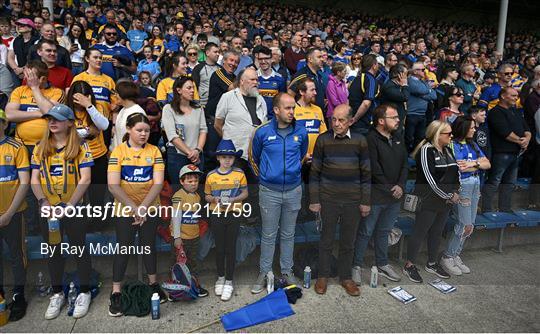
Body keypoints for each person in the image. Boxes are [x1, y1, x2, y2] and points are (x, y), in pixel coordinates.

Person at [30, 104, 94, 319]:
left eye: (57, 118)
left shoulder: (81, 146)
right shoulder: (40, 147)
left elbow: (85, 179)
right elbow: (34, 180)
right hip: (49, 210)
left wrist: (70, 206)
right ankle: (57, 293)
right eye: (50, 119)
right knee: (53, 250)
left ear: (69, 122)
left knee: (79, 248)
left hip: (73, 207)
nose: (53, 122)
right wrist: (42, 202)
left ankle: (84, 291)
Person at [107, 113, 166, 317]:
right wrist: (134, 207)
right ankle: (116, 292)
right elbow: (113, 186)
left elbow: (158, 183)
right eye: (139, 130)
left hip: (149, 207)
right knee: (123, 248)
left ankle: (153, 285)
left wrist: (143, 208)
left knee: (149, 245)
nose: (143, 134)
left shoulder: (155, 150)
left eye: (147, 130)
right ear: (129, 130)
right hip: (125, 208)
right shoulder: (118, 151)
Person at [308, 103, 370, 296]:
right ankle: (323, 276)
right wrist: (314, 199)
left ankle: (346, 277)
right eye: (333, 119)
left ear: (351, 121)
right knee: (326, 240)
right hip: (328, 199)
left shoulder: (360, 141)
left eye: (341, 120)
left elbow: (367, 174)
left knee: (348, 242)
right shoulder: (323, 140)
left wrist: (366, 201)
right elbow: (314, 173)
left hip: (352, 200)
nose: (336, 123)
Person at [249, 92, 308, 293]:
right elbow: (253, 158)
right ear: (276, 110)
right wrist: (265, 179)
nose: (292, 112)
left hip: (293, 190)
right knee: (268, 234)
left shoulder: (301, 131)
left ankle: (286, 272)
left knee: (288, 234)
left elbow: (301, 157)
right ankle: (265, 273)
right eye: (287, 108)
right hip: (269, 192)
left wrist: (291, 176)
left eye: (293, 108)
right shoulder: (262, 132)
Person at [352, 104, 407, 285]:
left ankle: (382, 263)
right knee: (366, 231)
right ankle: (356, 266)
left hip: (394, 196)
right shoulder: (370, 139)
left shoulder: (398, 137)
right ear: (381, 121)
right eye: (394, 117)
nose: (398, 120)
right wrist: (391, 188)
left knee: (384, 231)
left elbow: (404, 165)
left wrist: (400, 185)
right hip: (376, 195)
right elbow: (373, 170)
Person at [403, 121, 460, 283]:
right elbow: (430, 180)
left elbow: (456, 173)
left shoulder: (448, 150)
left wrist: (455, 191)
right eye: (448, 134)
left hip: (446, 200)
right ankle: (409, 265)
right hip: (428, 199)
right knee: (420, 231)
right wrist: (448, 195)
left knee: (437, 232)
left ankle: (432, 263)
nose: (451, 136)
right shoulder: (426, 150)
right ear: (437, 134)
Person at [441, 116, 491, 275]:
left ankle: (456, 254)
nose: (475, 129)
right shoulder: (452, 144)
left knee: (470, 225)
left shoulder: (473, 144)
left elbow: (487, 164)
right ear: (463, 128)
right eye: (471, 127)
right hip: (463, 186)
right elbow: (459, 168)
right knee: (463, 224)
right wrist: (476, 165)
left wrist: (473, 164)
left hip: (475, 184)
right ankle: (447, 256)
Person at [204, 140, 248, 301]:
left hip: (234, 214)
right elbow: (206, 195)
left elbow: (245, 193)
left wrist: (233, 199)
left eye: (230, 157)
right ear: (218, 158)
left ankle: (229, 280)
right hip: (216, 214)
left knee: (231, 247)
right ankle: (221, 277)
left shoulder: (239, 174)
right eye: (223, 157)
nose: (227, 160)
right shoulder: (211, 175)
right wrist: (214, 199)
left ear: (234, 158)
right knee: (220, 247)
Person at [0, 108, 29, 322]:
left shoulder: (16, 147)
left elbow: (24, 182)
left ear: (4, 124)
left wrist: (9, 213)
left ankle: (19, 295)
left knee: (17, 256)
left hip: (13, 213)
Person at [481, 87, 530, 213]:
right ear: (503, 96)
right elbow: (505, 132)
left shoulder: (516, 111)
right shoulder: (495, 112)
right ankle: (486, 208)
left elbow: (527, 128)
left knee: (510, 183)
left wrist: (527, 139)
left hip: (516, 153)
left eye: (516, 95)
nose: (516, 98)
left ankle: (505, 208)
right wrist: (521, 141)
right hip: (501, 153)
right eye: (513, 95)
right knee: (494, 181)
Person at [65, 81, 109, 219]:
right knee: (78, 195)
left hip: (97, 156)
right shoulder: (67, 110)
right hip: (76, 158)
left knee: (97, 195)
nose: (80, 103)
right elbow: (65, 133)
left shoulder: (97, 107)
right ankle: (80, 223)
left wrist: (88, 105)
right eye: (78, 99)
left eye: (84, 98)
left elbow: (104, 125)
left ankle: (98, 223)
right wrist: (86, 132)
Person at [169, 164, 210, 298]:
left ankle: (194, 286)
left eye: (196, 181)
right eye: (189, 181)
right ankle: (175, 291)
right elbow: (176, 217)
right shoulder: (178, 196)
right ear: (181, 181)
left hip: (194, 236)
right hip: (181, 237)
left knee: (193, 263)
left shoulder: (197, 196)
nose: (193, 184)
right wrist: (177, 237)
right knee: (178, 264)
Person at [161, 77, 207, 188]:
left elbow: (203, 130)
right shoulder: (168, 108)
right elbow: (172, 135)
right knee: (178, 192)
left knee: (196, 192)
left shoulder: (198, 109)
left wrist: (197, 150)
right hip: (177, 155)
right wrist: (189, 153)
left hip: (197, 156)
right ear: (179, 90)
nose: (192, 91)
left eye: (193, 88)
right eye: (189, 88)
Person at [73, 48, 117, 147]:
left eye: (100, 58)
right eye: (95, 57)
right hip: (84, 123)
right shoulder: (79, 78)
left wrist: (114, 125)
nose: (99, 60)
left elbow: (115, 107)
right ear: (87, 59)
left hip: (104, 123)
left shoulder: (109, 80)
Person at [204, 50, 239, 171]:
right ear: (224, 60)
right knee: (212, 156)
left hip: (228, 123)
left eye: (236, 62)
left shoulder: (235, 78)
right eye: (231, 60)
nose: (233, 64)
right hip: (213, 122)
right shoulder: (219, 74)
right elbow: (231, 89)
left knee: (227, 157)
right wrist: (245, 78)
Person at [405, 61, 437, 152]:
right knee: (409, 138)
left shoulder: (423, 82)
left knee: (420, 139)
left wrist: (425, 92)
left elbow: (434, 96)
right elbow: (419, 90)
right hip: (411, 114)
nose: (425, 71)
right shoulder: (409, 81)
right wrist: (428, 90)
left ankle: (416, 158)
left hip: (423, 114)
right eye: (423, 69)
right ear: (415, 71)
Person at [348, 54, 380, 135]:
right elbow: (366, 103)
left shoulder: (356, 78)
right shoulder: (371, 79)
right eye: (377, 64)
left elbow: (348, 100)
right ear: (374, 66)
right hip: (364, 123)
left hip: (352, 121)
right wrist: (355, 119)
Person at [110, 80, 146, 150]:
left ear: (124, 94)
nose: (114, 96)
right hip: (119, 155)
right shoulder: (123, 110)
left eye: (116, 93)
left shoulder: (137, 112)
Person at [256, 46, 286, 120]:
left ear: (271, 59)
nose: (263, 61)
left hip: (273, 120)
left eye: (266, 58)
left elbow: (282, 101)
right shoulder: (253, 77)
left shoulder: (280, 79)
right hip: (256, 119)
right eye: (260, 59)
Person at [192, 42, 220, 107]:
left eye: (218, 52)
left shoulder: (220, 69)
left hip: (217, 105)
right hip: (201, 105)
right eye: (215, 52)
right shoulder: (198, 68)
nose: (218, 54)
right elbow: (194, 86)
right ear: (207, 53)